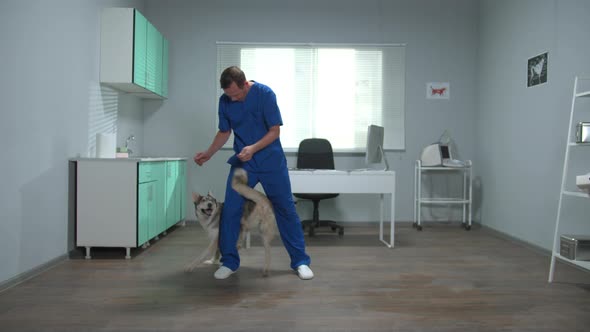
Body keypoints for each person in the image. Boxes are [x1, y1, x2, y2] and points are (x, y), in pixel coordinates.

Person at [194, 66, 314, 280]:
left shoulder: (265, 94)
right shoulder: (225, 100)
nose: (233, 99)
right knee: (231, 209)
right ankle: (229, 262)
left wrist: (253, 148)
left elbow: (274, 131)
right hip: (244, 163)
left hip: (271, 161)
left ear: (245, 84)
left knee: (285, 208)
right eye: (229, 95)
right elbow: (224, 131)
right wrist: (209, 153)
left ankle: (300, 261)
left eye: (237, 94)